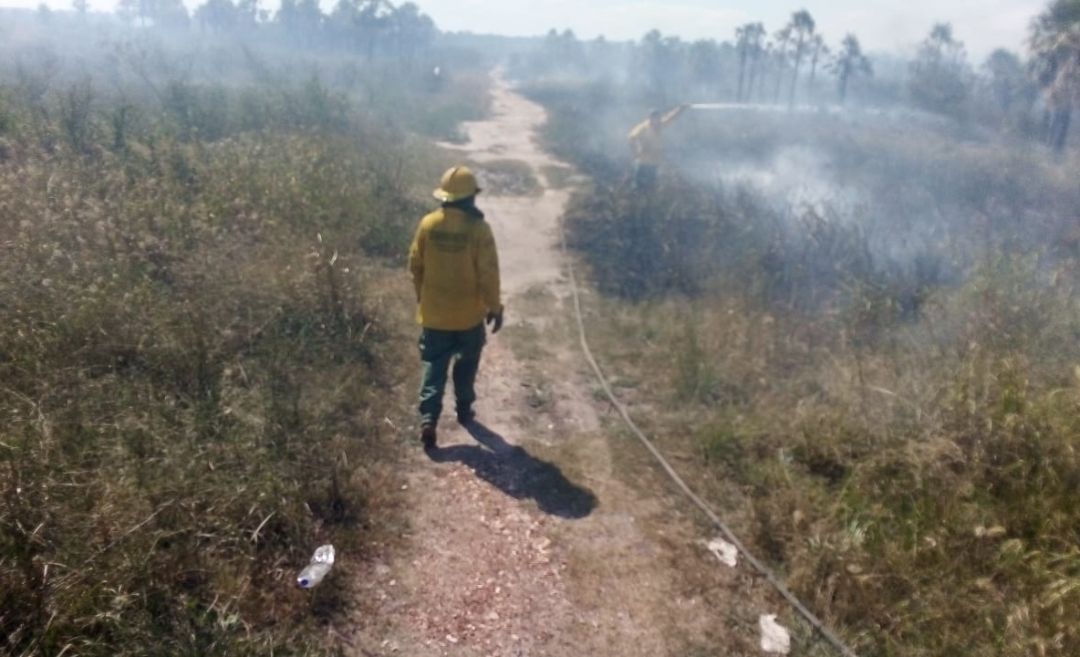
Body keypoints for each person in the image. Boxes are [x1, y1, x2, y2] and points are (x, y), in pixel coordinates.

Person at [408, 165, 504, 449]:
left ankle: (428, 419)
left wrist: (421, 297)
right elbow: (489, 273)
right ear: (471, 197)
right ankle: (464, 410)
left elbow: (415, 265)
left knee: (433, 367)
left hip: (435, 315)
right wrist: (495, 307)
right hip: (468, 318)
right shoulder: (479, 229)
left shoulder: (428, 224)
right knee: (467, 364)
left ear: (446, 197)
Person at [627, 104, 689, 188]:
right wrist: (637, 150)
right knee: (639, 185)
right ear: (650, 118)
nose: (657, 120)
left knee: (651, 185)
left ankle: (648, 198)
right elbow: (632, 137)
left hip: (654, 161)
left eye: (658, 118)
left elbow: (671, 118)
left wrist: (681, 109)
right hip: (643, 162)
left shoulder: (660, 125)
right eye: (655, 118)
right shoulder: (643, 128)